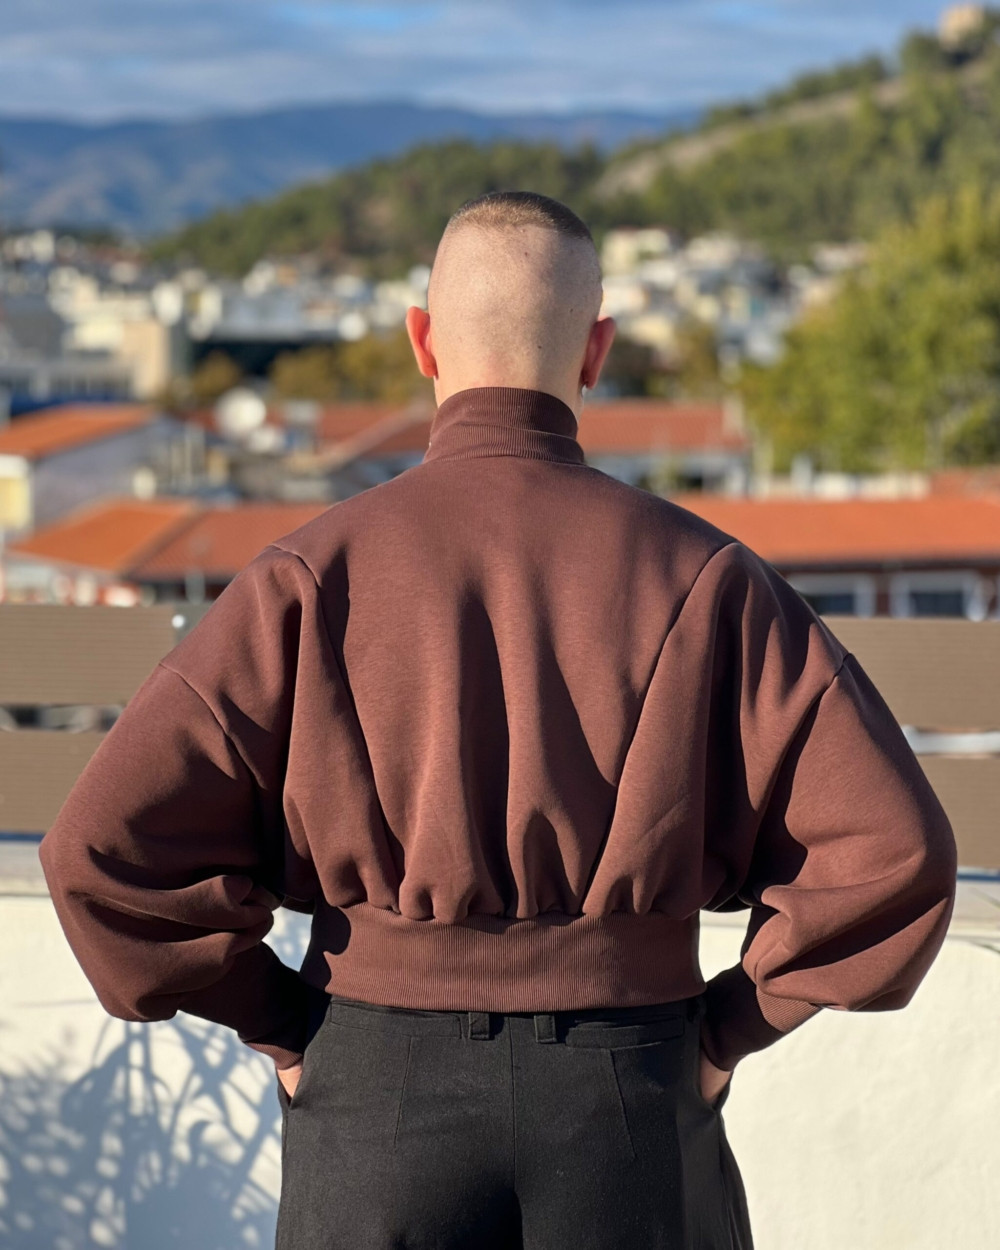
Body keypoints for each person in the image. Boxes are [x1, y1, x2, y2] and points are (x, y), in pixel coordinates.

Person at [38, 191, 958, 1250]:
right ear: (596, 350)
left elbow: (100, 851)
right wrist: (725, 1029)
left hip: (370, 1098)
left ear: (422, 342)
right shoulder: (709, 579)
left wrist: (282, 1022)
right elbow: (895, 853)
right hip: (633, 1095)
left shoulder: (305, 577)